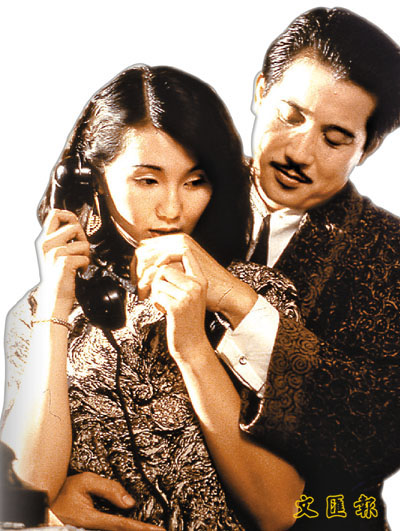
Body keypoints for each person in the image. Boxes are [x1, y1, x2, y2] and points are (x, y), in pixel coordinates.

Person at [0, 64, 304, 530]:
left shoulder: (257, 297)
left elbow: (283, 511)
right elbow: (22, 497)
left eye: (195, 181)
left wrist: (194, 349)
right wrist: (55, 309)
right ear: (90, 178)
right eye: (147, 180)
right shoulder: (36, 316)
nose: (172, 209)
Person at [216, 7, 400, 530]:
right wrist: (45, 499)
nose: (300, 151)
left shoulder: (392, 254)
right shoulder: (168, 192)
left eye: (335, 138)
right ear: (260, 91)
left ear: (369, 147)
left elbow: (378, 434)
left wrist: (240, 304)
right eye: (290, 115)